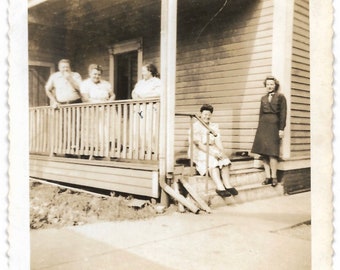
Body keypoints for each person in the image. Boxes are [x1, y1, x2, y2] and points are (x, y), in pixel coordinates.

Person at [190, 104, 238, 198]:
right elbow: (198, 144)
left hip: (212, 148)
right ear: (200, 114)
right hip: (200, 150)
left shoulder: (214, 126)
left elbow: (218, 141)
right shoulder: (195, 126)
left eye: (209, 114)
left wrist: (222, 152)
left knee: (225, 160)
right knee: (213, 161)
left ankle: (227, 185)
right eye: (205, 114)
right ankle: (220, 187)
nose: (207, 116)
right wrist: (213, 153)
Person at [251, 76, 287, 187]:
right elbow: (261, 114)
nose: (269, 86)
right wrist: (259, 129)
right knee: (264, 154)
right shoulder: (263, 98)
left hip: (274, 126)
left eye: (271, 84)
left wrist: (281, 129)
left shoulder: (280, 97)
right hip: (263, 126)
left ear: (275, 85)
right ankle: (268, 177)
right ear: (265, 86)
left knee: (272, 153)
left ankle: (274, 177)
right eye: (267, 84)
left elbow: (283, 114)